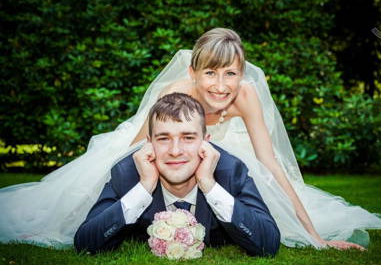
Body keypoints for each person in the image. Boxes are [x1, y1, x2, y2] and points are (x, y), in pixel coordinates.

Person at [0, 28, 381, 250]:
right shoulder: (177, 89)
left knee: (255, 182)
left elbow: (271, 164)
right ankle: (59, 224)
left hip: (214, 149)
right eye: (212, 74)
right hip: (166, 140)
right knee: (106, 178)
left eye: (231, 74)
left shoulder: (247, 96)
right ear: (194, 72)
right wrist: (66, 226)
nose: (221, 86)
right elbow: (139, 147)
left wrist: (315, 238)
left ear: (242, 73)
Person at [74, 93, 280, 256]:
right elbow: (85, 243)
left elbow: (268, 243)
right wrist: (144, 187)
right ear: (149, 143)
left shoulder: (230, 171)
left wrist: (209, 184)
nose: (175, 150)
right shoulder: (127, 173)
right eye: (163, 138)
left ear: (205, 141)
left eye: (188, 137)